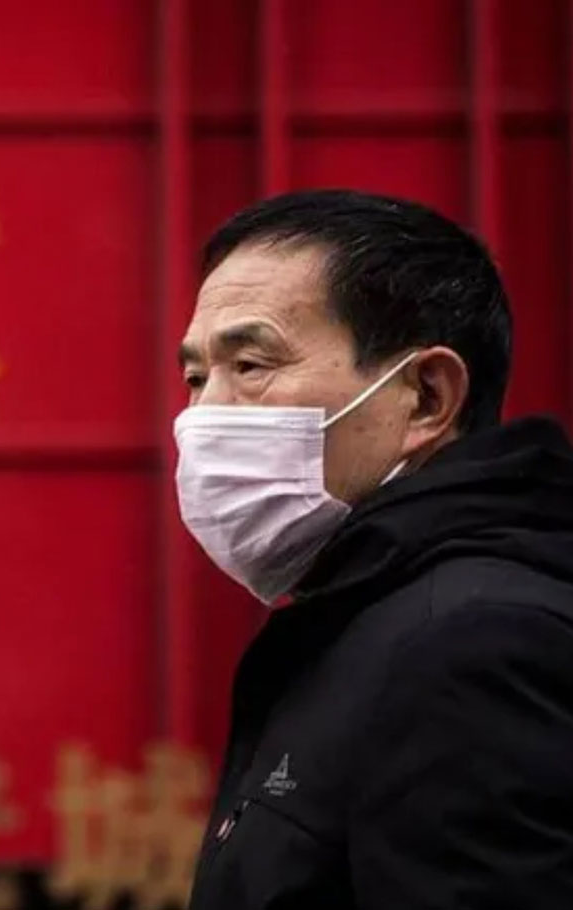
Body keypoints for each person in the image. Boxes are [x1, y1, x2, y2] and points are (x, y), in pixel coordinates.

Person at [177, 189, 573, 908]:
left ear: (426, 397)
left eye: (252, 366)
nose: (204, 418)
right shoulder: (359, 621)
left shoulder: (471, 644)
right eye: (197, 378)